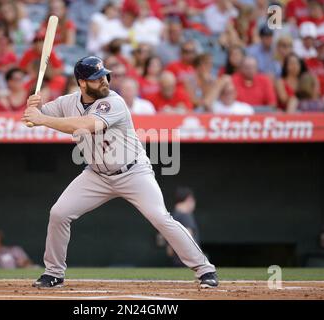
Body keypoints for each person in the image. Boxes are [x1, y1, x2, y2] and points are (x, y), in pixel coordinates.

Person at [22, 56, 218, 289]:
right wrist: (32, 107)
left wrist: (41, 118)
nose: (104, 80)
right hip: (96, 175)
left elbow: (85, 125)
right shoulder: (67, 102)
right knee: (59, 213)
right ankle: (54, 273)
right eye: (97, 78)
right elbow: (33, 119)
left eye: (105, 75)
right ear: (82, 83)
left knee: (160, 217)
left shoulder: (113, 102)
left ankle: (205, 269)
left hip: (133, 172)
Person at [165, 187, 201, 266]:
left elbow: (169, 250)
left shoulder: (171, 216)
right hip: (189, 261)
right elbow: (188, 236)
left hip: (178, 259)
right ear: (189, 199)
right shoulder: (185, 215)